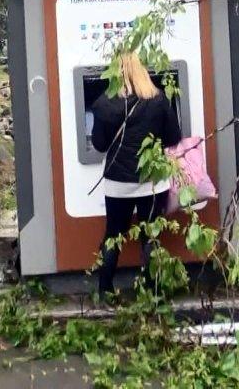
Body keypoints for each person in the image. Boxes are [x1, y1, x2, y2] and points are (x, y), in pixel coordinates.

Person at [90, 50, 183, 295]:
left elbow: (99, 145)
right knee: (151, 237)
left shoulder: (104, 104)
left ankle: (104, 291)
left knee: (113, 236)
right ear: (142, 70)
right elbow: (174, 137)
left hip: (118, 183)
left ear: (115, 73)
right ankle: (153, 293)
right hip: (152, 180)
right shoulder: (159, 99)